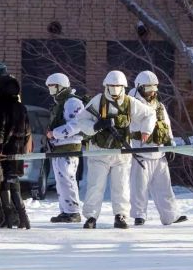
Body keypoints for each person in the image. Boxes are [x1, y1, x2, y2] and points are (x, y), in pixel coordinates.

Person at [76, 70, 156, 229]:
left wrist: (146, 131)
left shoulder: (129, 102)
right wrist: (95, 126)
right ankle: (91, 216)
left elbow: (150, 114)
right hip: (99, 151)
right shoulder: (98, 100)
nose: (114, 89)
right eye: (111, 86)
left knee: (121, 187)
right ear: (106, 85)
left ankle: (121, 215)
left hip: (121, 154)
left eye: (118, 86)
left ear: (123, 86)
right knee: (95, 186)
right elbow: (81, 120)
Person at [128, 71, 187, 226]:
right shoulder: (132, 105)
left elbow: (166, 126)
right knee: (139, 188)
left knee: (164, 187)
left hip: (159, 152)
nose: (152, 92)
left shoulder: (159, 106)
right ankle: (139, 215)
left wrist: (170, 144)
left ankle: (170, 216)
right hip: (140, 153)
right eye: (148, 88)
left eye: (154, 88)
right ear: (140, 88)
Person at [0, 74, 32, 229]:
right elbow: (27, 130)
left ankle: (12, 218)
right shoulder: (21, 107)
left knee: (4, 184)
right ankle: (22, 218)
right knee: (13, 183)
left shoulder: (1, 108)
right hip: (18, 150)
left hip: (4, 152)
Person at [44, 73, 86, 223]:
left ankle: (73, 211)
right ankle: (66, 211)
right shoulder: (60, 103)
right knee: (60, 181)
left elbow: (76, 124)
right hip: (59, 147)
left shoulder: (73, 102)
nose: (50, 89)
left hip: (69, 147)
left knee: (67, 179)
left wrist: (55, 134)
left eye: (52, 86)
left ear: (60, 86)